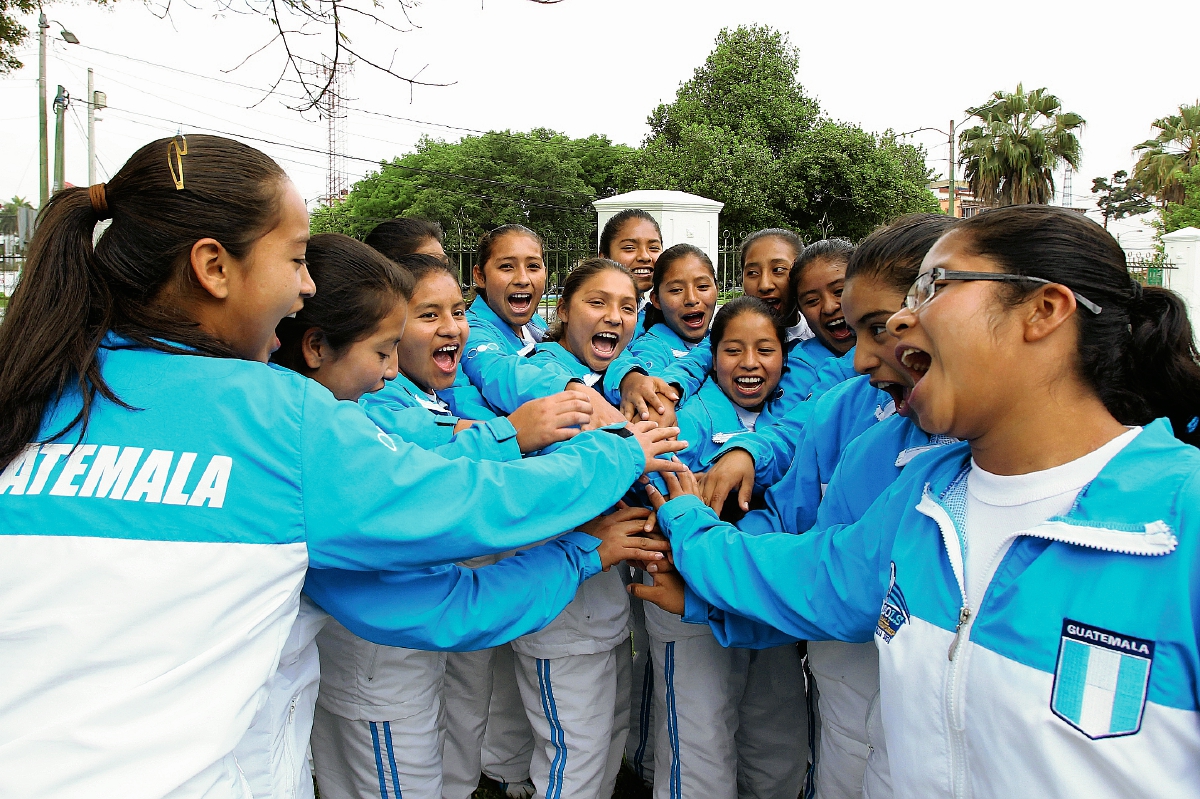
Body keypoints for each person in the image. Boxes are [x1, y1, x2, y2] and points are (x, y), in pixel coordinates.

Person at [0, 135, 686, 799]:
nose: (306, 287)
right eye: (297, 259)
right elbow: (465, 515)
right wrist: (617, 452)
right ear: (214, 267)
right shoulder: (275, 418)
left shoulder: (30, 388)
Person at [647, 205, 1200, 799]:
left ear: (1043, 310)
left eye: (932, 289)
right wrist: (693, 534)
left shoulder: (1181, 517)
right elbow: (824, 578)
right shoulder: (930, 490)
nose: (873, 353)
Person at [645, 296, 808, 799]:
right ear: (712, 359)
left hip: (768, 587)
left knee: (775, 719)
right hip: (692, 588)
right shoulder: (688, 418)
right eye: (733, 350)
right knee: (700, 728)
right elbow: (657, 485)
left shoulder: (796, 412)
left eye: (765, 349)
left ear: (785, 357)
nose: (750, 363)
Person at [512, 258, 659, 799]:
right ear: (563, 310)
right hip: (561, 605)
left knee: (604, 736)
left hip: (603, 602)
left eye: (628, 307)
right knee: (573, 752)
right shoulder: (542, 375)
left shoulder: (616, 378)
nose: (615, 317)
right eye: (598, 303)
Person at [628, 243, 718, 372]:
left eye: (702, 286)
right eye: (676, 290)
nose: (691, 299)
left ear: (717, 289)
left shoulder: (721, 341)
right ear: (656, 300)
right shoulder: (649, 351)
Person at [599, 208, 663, 339]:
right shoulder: (590, 316)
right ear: (604, 258)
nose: (645, 257)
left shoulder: (667, 318)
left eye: (653, 248)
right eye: (629, 248)